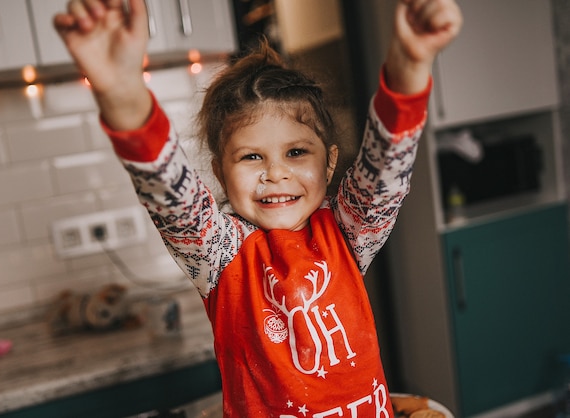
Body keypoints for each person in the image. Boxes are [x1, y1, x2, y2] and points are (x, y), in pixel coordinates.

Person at [54, 0, 462, 416]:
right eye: (251, 157)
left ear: (330, 162)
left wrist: (410, 64)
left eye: (297, 152)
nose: (275, 173)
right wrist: (121, 91)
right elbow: (165, 186)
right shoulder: (218, 253)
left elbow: (387, 166)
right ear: (220, 171)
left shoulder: (347, 232)